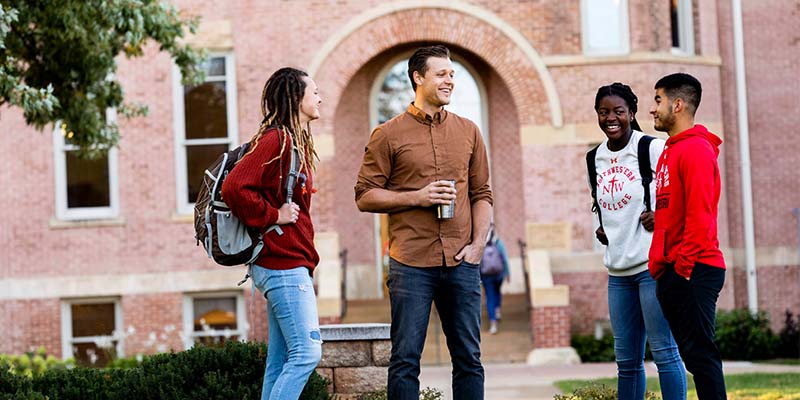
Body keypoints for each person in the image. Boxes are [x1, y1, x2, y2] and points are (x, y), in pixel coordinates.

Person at [354, 45, 492, 400]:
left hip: (462, 262)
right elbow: (365, 195)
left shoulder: (469, 131)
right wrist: (417, 196)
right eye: (442, 74)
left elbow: (482, 194)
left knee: (469, 359)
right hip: (411, 264)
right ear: (418, 77)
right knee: (404, 360)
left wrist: (478, 247)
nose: (450, 81)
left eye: (452, 75)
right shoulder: (387, 134)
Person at [221, 67, 323, 400]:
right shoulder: (276, 140)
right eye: (314, 91)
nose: (320, 97)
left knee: (280, 362)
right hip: (283, 266)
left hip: (287, 265)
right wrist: (273, 215)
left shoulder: (293, 142)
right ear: (296, 98)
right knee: (307, 354)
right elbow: (235, 186)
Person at [588, 82, 687, 400]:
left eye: (618, 111)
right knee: (627, 362)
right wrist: (600, 227)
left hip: (651, 267)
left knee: (664, 352)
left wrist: (662, 215)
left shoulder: (652, 148)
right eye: (604, 112)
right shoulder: (594, 159)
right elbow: (597, 201)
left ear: (631, 112)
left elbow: (683, 194)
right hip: (617, 272)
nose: (611, 118)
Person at [648, 73, 727, 400]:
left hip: (694, 268)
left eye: (658, 100)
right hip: (675, 268)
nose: (653, 109)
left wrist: (682, 269)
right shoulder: (671, 150)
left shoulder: (695, 150)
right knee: (695, 356)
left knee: (701, 356)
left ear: (677, 104)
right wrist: (661, 266)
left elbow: (700, 215)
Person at [479, 224, 510, 335]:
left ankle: (493, 323)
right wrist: (508, 273)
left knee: (489, 297)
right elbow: (505, 259)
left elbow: (478, 261)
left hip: (486, 275)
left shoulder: (481, 242)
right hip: (499, 274)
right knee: (497, 292)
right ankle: (497, 311)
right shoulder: (498, 242)